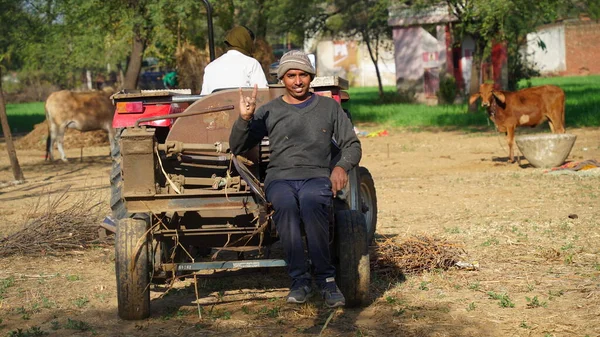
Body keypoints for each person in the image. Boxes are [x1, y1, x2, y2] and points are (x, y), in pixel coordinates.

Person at [229, 50, 362, 308]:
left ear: (311, 77)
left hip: (316, 175)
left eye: (303, 75)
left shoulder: (329, 107)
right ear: (283, 79)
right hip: (280, 178)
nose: (298, 81)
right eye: (291, 75)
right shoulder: (269, 110)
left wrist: (341, 167)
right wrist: (244, 119)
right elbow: (238, 145)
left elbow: (352, 145)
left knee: (313, 203)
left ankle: (326, 280)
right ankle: (299, 280)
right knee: (286, 206)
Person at [200, 26, 269, 95]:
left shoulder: (210, 67)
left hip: (216, 105)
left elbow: (203, 98)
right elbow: (263, 94)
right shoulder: (252, 64)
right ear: (247, 43)